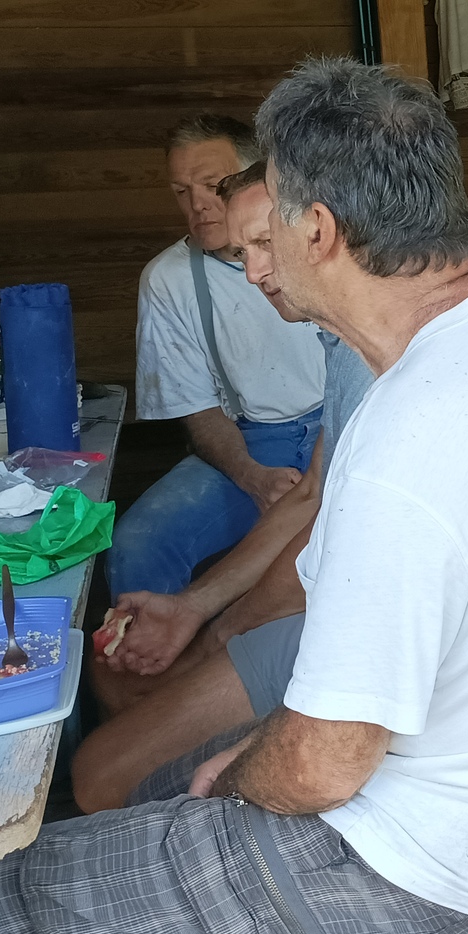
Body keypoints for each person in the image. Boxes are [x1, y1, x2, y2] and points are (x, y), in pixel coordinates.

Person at [0, 61, 468, 934]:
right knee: (142, 786)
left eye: (271, 222)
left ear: (320, 230)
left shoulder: (410, 431)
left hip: (435, 864)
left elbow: (327, 763)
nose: (250, 251)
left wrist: (241, 776)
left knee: (3, 917)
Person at [72, 163, 375, 813]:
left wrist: (214, 635)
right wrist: (192, 607)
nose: (254, 272)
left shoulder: (380, 356)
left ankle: (192, 829)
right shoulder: (344, 346)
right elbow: (310, 495)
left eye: (265, 244)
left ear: (321, 229)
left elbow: (329, 547)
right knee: (109, 674)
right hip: (325, 597)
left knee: (98, 772)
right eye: (241, 254)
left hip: (357, 628)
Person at [111, 115, 327, 596]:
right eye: (181, 191)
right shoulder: (168, 280)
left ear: (255, 180)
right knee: (139, 544)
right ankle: (153, 641)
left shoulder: (318, 246)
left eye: (212, 185)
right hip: (253, 441)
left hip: (339, 423)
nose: (197, 205)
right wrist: (252, 477)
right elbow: (198, 409)